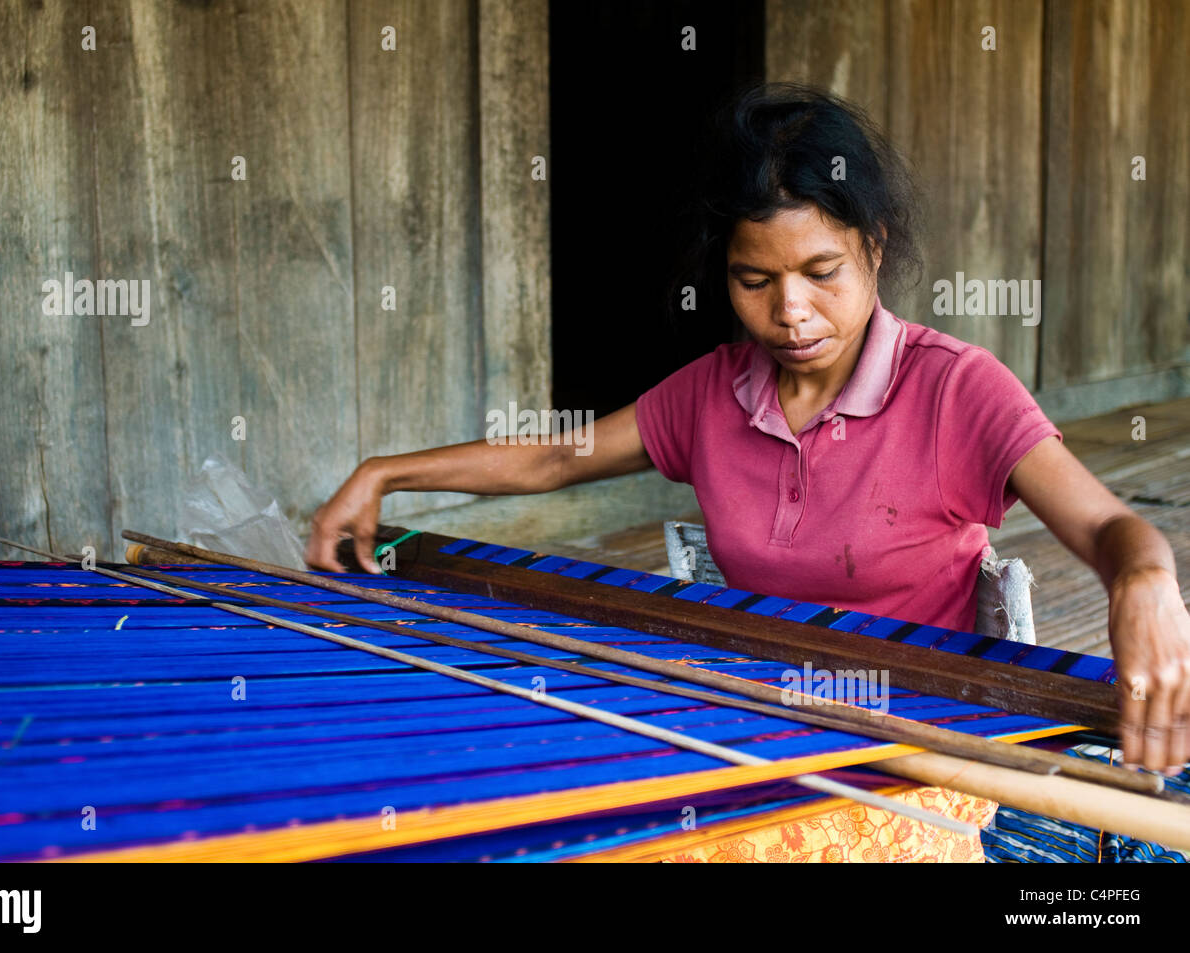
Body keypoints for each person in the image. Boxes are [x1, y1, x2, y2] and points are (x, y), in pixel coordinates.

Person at [307, 83, 1190, 776]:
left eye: (821, 271)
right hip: (754, 718)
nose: (792, 312)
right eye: (752, 279)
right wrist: (388, 472)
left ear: (875, 246)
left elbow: (1111, 528)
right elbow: (552, 456)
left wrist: (1145, 573)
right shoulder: (710, 394)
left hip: (923, 738)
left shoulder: (955, 390)